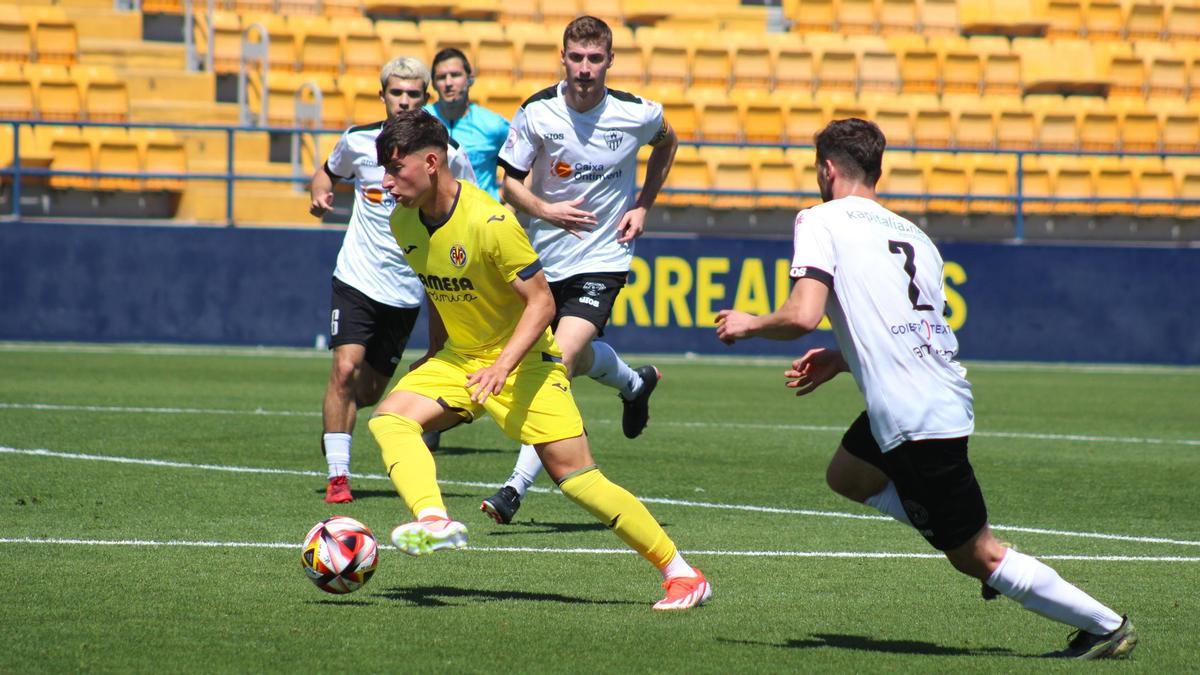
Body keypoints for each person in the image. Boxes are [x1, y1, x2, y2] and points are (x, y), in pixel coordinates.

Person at [714, 118, 1137, 659]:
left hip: (913, 414)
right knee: (848, 474)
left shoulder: (819, 219)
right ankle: (957, 532)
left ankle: (1105, 626)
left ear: (827, 169)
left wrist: (750, 323)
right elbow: (916, 325)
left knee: (978, 556)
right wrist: (843, 359)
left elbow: (803, 314)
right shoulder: (915, 236)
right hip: (932, 395)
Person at [367, 109, 711, 611]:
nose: (385, 182)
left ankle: (682, 574)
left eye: (395, 169)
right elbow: (439, 288)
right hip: (461, 360)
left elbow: (543, 304)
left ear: (432, 163)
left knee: (578, 480)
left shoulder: (491, 222)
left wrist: (502, 366)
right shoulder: (403, 221)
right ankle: (434, 520)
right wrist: (435, 352)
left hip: (525, 363)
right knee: (390, 420)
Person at [483, 15, 678, 524]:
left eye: (595, 58)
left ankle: (514, 487)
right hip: (543, 259)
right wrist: (546, 211)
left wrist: (644, 204)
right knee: (575, 355)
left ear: (610, 60)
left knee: (558, 361)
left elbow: (668, 142)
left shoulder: (637, 113)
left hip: (603, 257)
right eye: (576, 58)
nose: (585, 68)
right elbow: (509, 184)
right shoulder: (537, 112)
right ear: (563, 59)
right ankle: (634, 384)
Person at [309, 56, 477, 504]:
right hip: (357, 276)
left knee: (367, 391)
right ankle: (338, 475)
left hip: (406, 290)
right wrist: (320, 192)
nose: (404, 101)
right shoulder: (358, 141)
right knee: (344, 369)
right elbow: (327, 172)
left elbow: (467, 203)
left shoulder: (448, 154)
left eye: (413, 94)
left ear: (427, 98)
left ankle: (337, 419)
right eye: (396, 93)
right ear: (382, 94)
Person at [425, 47, 509, 201]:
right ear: (434, 84)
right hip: (434, 212)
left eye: (455, 75)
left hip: (482, 212)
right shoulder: (421, 121)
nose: (448, 83)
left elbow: (527, 159)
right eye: (441, 77)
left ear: (470, 79)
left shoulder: (493, 125)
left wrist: (508, 200)